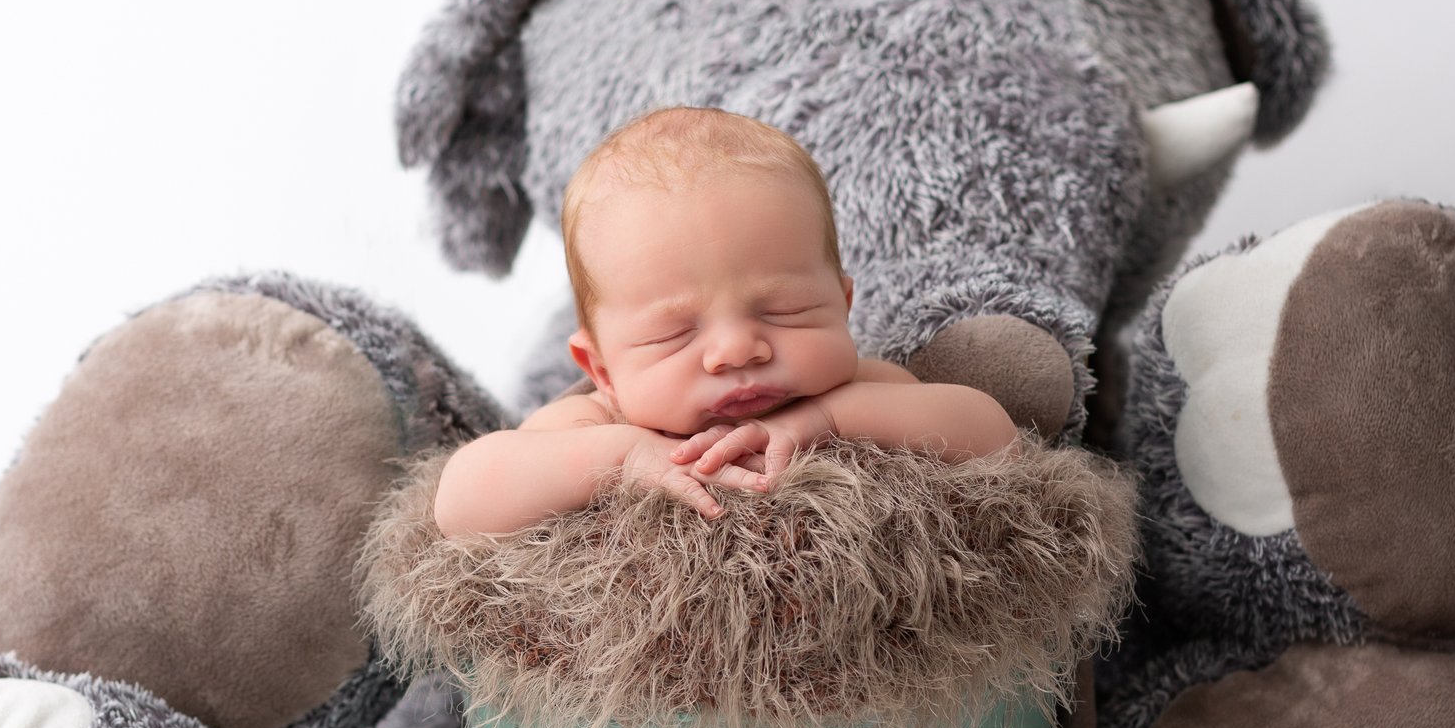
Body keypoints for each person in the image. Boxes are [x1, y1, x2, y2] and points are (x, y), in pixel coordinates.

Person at [432, 107, 1018, 537]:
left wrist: (830, 418)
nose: (738, 349)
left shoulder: (862, 391)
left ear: (842, 306)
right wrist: (622, 457)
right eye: (673, 333)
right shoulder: (594, 420)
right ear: (602, 368)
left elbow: (997, 439)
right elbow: (459, 502)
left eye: (785, 310)